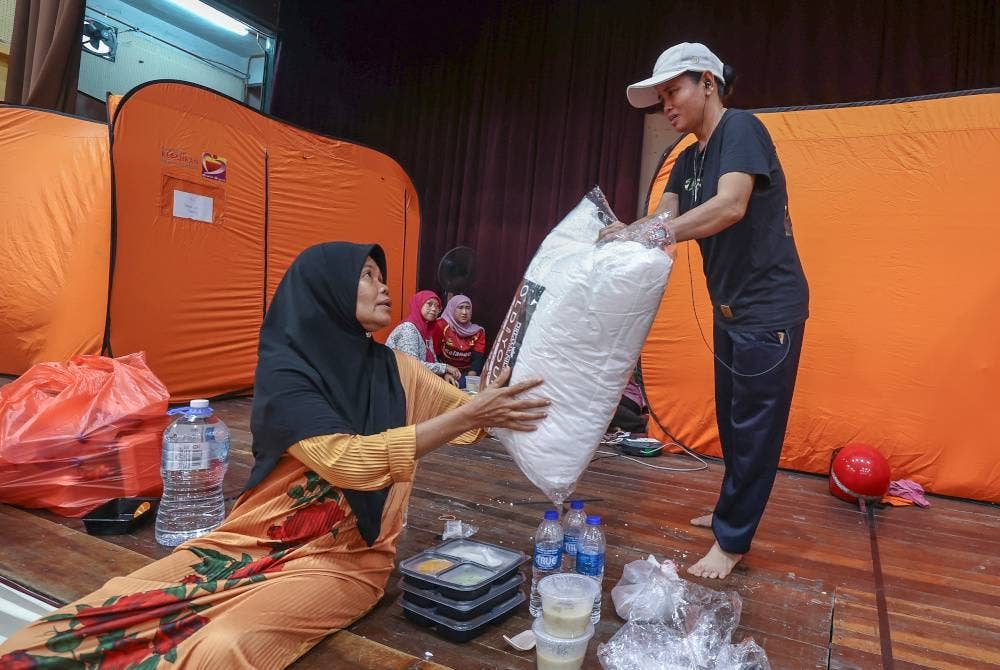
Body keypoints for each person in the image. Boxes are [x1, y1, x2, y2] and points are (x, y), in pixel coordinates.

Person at [0, 242, 548, 668]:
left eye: (383, 277)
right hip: (251, 539)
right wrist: (469, 415)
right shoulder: (286, 374)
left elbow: (469, 424)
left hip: (348, 559)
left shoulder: (397, 370)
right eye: (368, 277)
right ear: (326, 291)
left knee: (225, 645)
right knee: (117, 608)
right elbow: (346, 462)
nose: (385, 288)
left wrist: (488, 401)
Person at [601, 42, 809, 579]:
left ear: (708, 83)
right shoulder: (687, 158)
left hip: (769, 309)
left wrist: (651, 231)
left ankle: (733, 540)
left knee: (755, 428)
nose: (666, 105)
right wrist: (624, 235)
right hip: (730, 310)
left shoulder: (740, 129)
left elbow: (730, 205)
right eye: (662, 97)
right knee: (734, 424)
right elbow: (662, 221)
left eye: (674, 91)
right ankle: (727, 515)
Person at [386, 289, 462, 385]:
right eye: (429, 304)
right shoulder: (408, 329)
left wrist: (445, 374)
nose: (434, 309)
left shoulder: (425, 331)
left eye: (437, 306)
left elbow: (433, 360)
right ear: (418, 305)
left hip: (416, 383)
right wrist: (445, 367)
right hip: (398, 385)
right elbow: (412, 365)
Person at [433, 294, 487, 380]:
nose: (464, 312)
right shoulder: (441, 325)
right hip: (443, 372)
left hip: (466, 374)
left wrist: (469, 380)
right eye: (460, 307)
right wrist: (445, 372)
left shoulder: (478, 331)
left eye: (468, 308)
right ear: (452, 309)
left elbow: (477, 359)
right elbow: (435, 354)